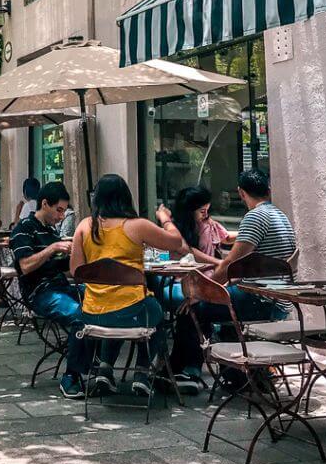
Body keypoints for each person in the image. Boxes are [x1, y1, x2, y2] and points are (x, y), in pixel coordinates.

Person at [169, 169, 296, 394]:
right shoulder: (280, 215)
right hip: (279, 299)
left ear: (241, 192)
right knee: (215, 306)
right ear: (268, 190)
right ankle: (234, 374)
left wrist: (201, 291)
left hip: (260, 300)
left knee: (193, 309)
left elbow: (229, 264)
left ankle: (187, 372)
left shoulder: (255, 217)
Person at [70, 174, 187, 397]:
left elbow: (76, 271)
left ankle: (105, 369)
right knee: (156, 312)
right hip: (132, 311)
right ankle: (142, 373)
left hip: (92, 314)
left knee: (118, 309)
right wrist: (165, 219)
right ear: (126, 197)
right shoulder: (137, 225)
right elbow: (176, 243)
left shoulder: (85, 226)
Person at [10, 181, 90, 399]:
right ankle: (71, 376)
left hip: (62, 287)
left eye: (64, 211)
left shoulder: (51, 232)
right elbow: (25, 266)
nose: (62, 216)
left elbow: (67, 270)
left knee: (106, 302)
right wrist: (53, 248)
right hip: (40, 292)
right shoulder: (23, 229)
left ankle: (101, 369)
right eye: (59, 210)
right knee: (79, 316)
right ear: (45, 204)